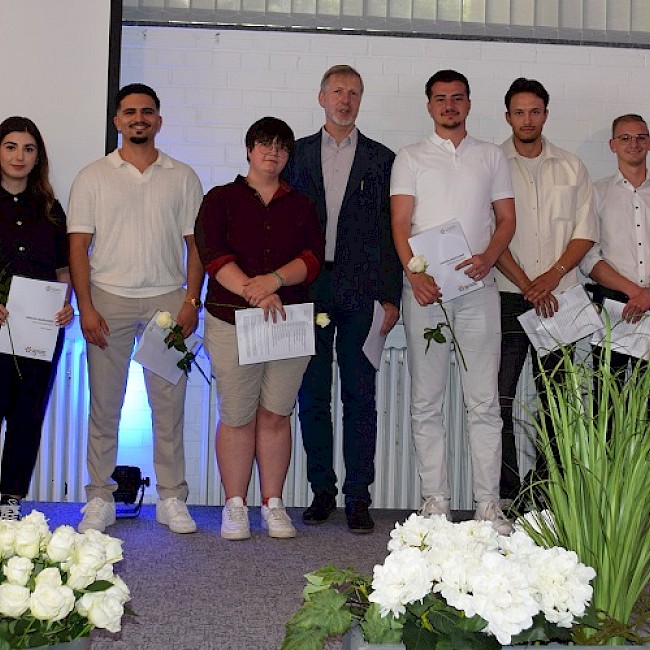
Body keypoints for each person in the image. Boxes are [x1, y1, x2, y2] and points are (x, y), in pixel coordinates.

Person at [68, 83, 204, 534]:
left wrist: (191, 301)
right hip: (108, 299)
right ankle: (100, 498)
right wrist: (86, 307)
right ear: (117, 121)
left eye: (147, 112)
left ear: (159, 121)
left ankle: (171, 497)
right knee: (105, 406)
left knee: (169, 406)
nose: (138, 119)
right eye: (130, 112)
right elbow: (78, 247)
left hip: (168, 300)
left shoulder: (182, 176)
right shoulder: (92, 176)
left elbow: (196, 245)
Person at [390, 69, 516, 534]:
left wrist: (488, 257)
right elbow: (399, 224)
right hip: (425, 291)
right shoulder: (410, 157)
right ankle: (435, 502)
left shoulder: (490, 155)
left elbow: (506, 219)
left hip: (478, 289)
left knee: (484, 402)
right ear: (429, 106)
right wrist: (414, 275)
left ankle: (488, 505)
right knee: (426, 400)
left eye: (457, 98)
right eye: (441, 99)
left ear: (468, 104)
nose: (449, 106)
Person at [283, 65, 402, 534]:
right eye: (337, 91)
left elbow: (392, 233)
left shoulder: (382, 159)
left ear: (360, 100)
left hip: (362, 290)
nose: (345, 100)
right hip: (307, 289)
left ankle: (358, 497)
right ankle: (321, 492)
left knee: (360, 395)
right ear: (322, 97)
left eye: (353, 93)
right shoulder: (294, 154)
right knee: (311, 393)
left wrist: (390, 297)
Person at [194, 116, 323, 540]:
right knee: (236, 415)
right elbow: (213, 256)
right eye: (265, 144)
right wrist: (258, 293)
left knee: (276, 413)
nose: (273, 152)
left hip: (288, 323)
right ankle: (235, 505)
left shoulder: (302, 205)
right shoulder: (220, 198)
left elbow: (312, 259)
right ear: (249, 149)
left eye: (282, 147)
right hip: (231, 320)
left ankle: (273, 504)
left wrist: (274, 282)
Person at [495, 78, 596, 502]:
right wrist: (528, 285)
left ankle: (545, 493)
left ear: (545, 115)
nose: (527, 120)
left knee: (556, 401)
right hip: (506, 295)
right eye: (519, 112)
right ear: (508, 117)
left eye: (534, 112)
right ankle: (508, 493)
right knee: (498, 398)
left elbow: (585, 232)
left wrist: (551, 277)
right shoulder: (492, 164)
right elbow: (490, 235)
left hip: (560, 297)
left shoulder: (572, 166)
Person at [0, 116, 74, 521]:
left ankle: (9, 500)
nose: (19, 156)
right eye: (11, 146)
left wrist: (67, 304)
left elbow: (63, 269)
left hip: (40, 333)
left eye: (28, 149)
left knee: (27, 416)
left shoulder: (50, 209)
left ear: (38, 157)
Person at [581, 114, 650, 384]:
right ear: (612, 145)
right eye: (625, 138)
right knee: (608, 396)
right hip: (614, 307)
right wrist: (636, 292)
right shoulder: (596, 193)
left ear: (648, 143)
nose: (634, 144)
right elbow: (588, 257)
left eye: (640, 137)